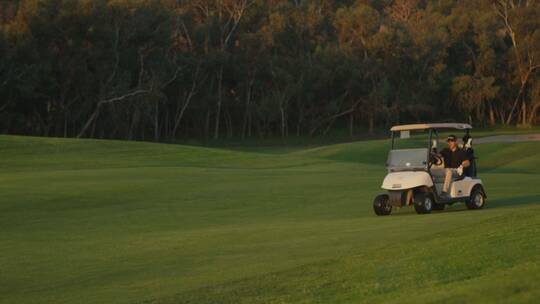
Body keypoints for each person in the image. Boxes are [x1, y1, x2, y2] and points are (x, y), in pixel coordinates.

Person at [439, 134, 470, 199]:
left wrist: (462, 165)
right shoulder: (445, 150)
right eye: (449, 141)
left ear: (455, 142)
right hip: (446, 170)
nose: (450, 143)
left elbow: (467, 162)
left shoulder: (461, 152)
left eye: (452, 141)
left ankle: (444, 192)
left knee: (449, 171)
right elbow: (438, 155)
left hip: (456, 171)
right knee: (429, 171)